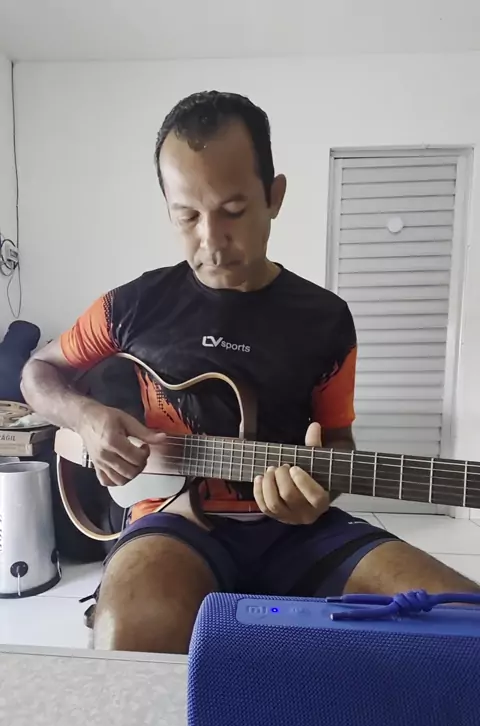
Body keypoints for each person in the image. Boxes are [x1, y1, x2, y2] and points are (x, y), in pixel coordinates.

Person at [21, 91, 478, 653]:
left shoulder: (325, 320)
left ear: (274, 196)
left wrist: (322, 490)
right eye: (187, 216)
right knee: (129, 639)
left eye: (233, 210)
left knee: (462, 624)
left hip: (298, 530)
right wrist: (86, 416)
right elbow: (38, 372)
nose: (211, 242)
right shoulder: (131, 306)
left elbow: (338, 442)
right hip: (170, 521)